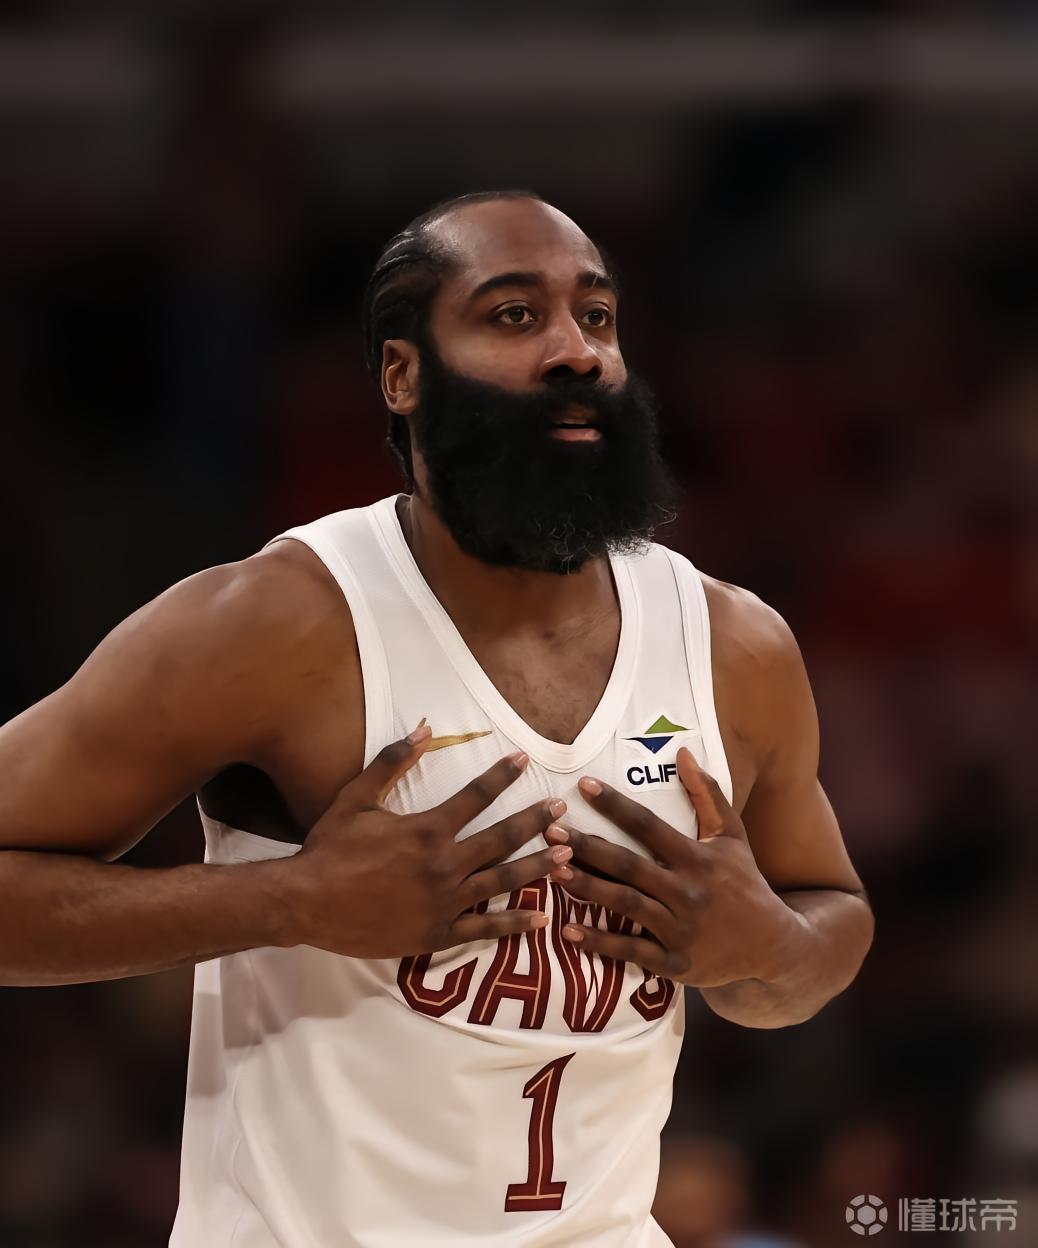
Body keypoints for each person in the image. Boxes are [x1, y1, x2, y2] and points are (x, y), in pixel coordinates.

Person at [0, 190, 874, 1247]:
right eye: (515, 315)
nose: (576, 351)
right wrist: (288, 901)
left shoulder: (734, 644)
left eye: (597, 317)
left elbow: (830, 924)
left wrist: (766, 945)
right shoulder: (276, 622)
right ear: (402, 374)